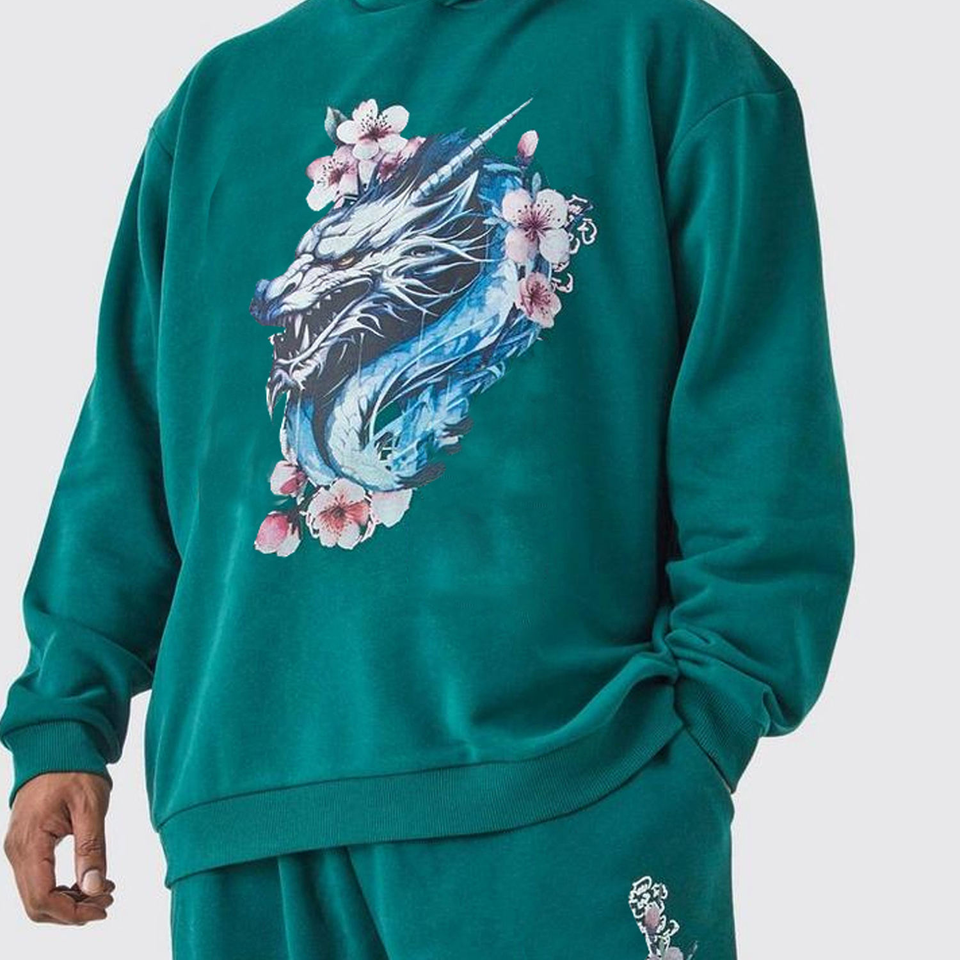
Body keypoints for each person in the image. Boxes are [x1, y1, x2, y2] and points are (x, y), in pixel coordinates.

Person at [1, 0, 854, 956]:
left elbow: (763, 441)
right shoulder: (215, 104)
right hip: (244, 825)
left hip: (567, 797)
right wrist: (63, 719)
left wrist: (704, 727)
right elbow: (127, 440)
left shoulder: (674, 62)